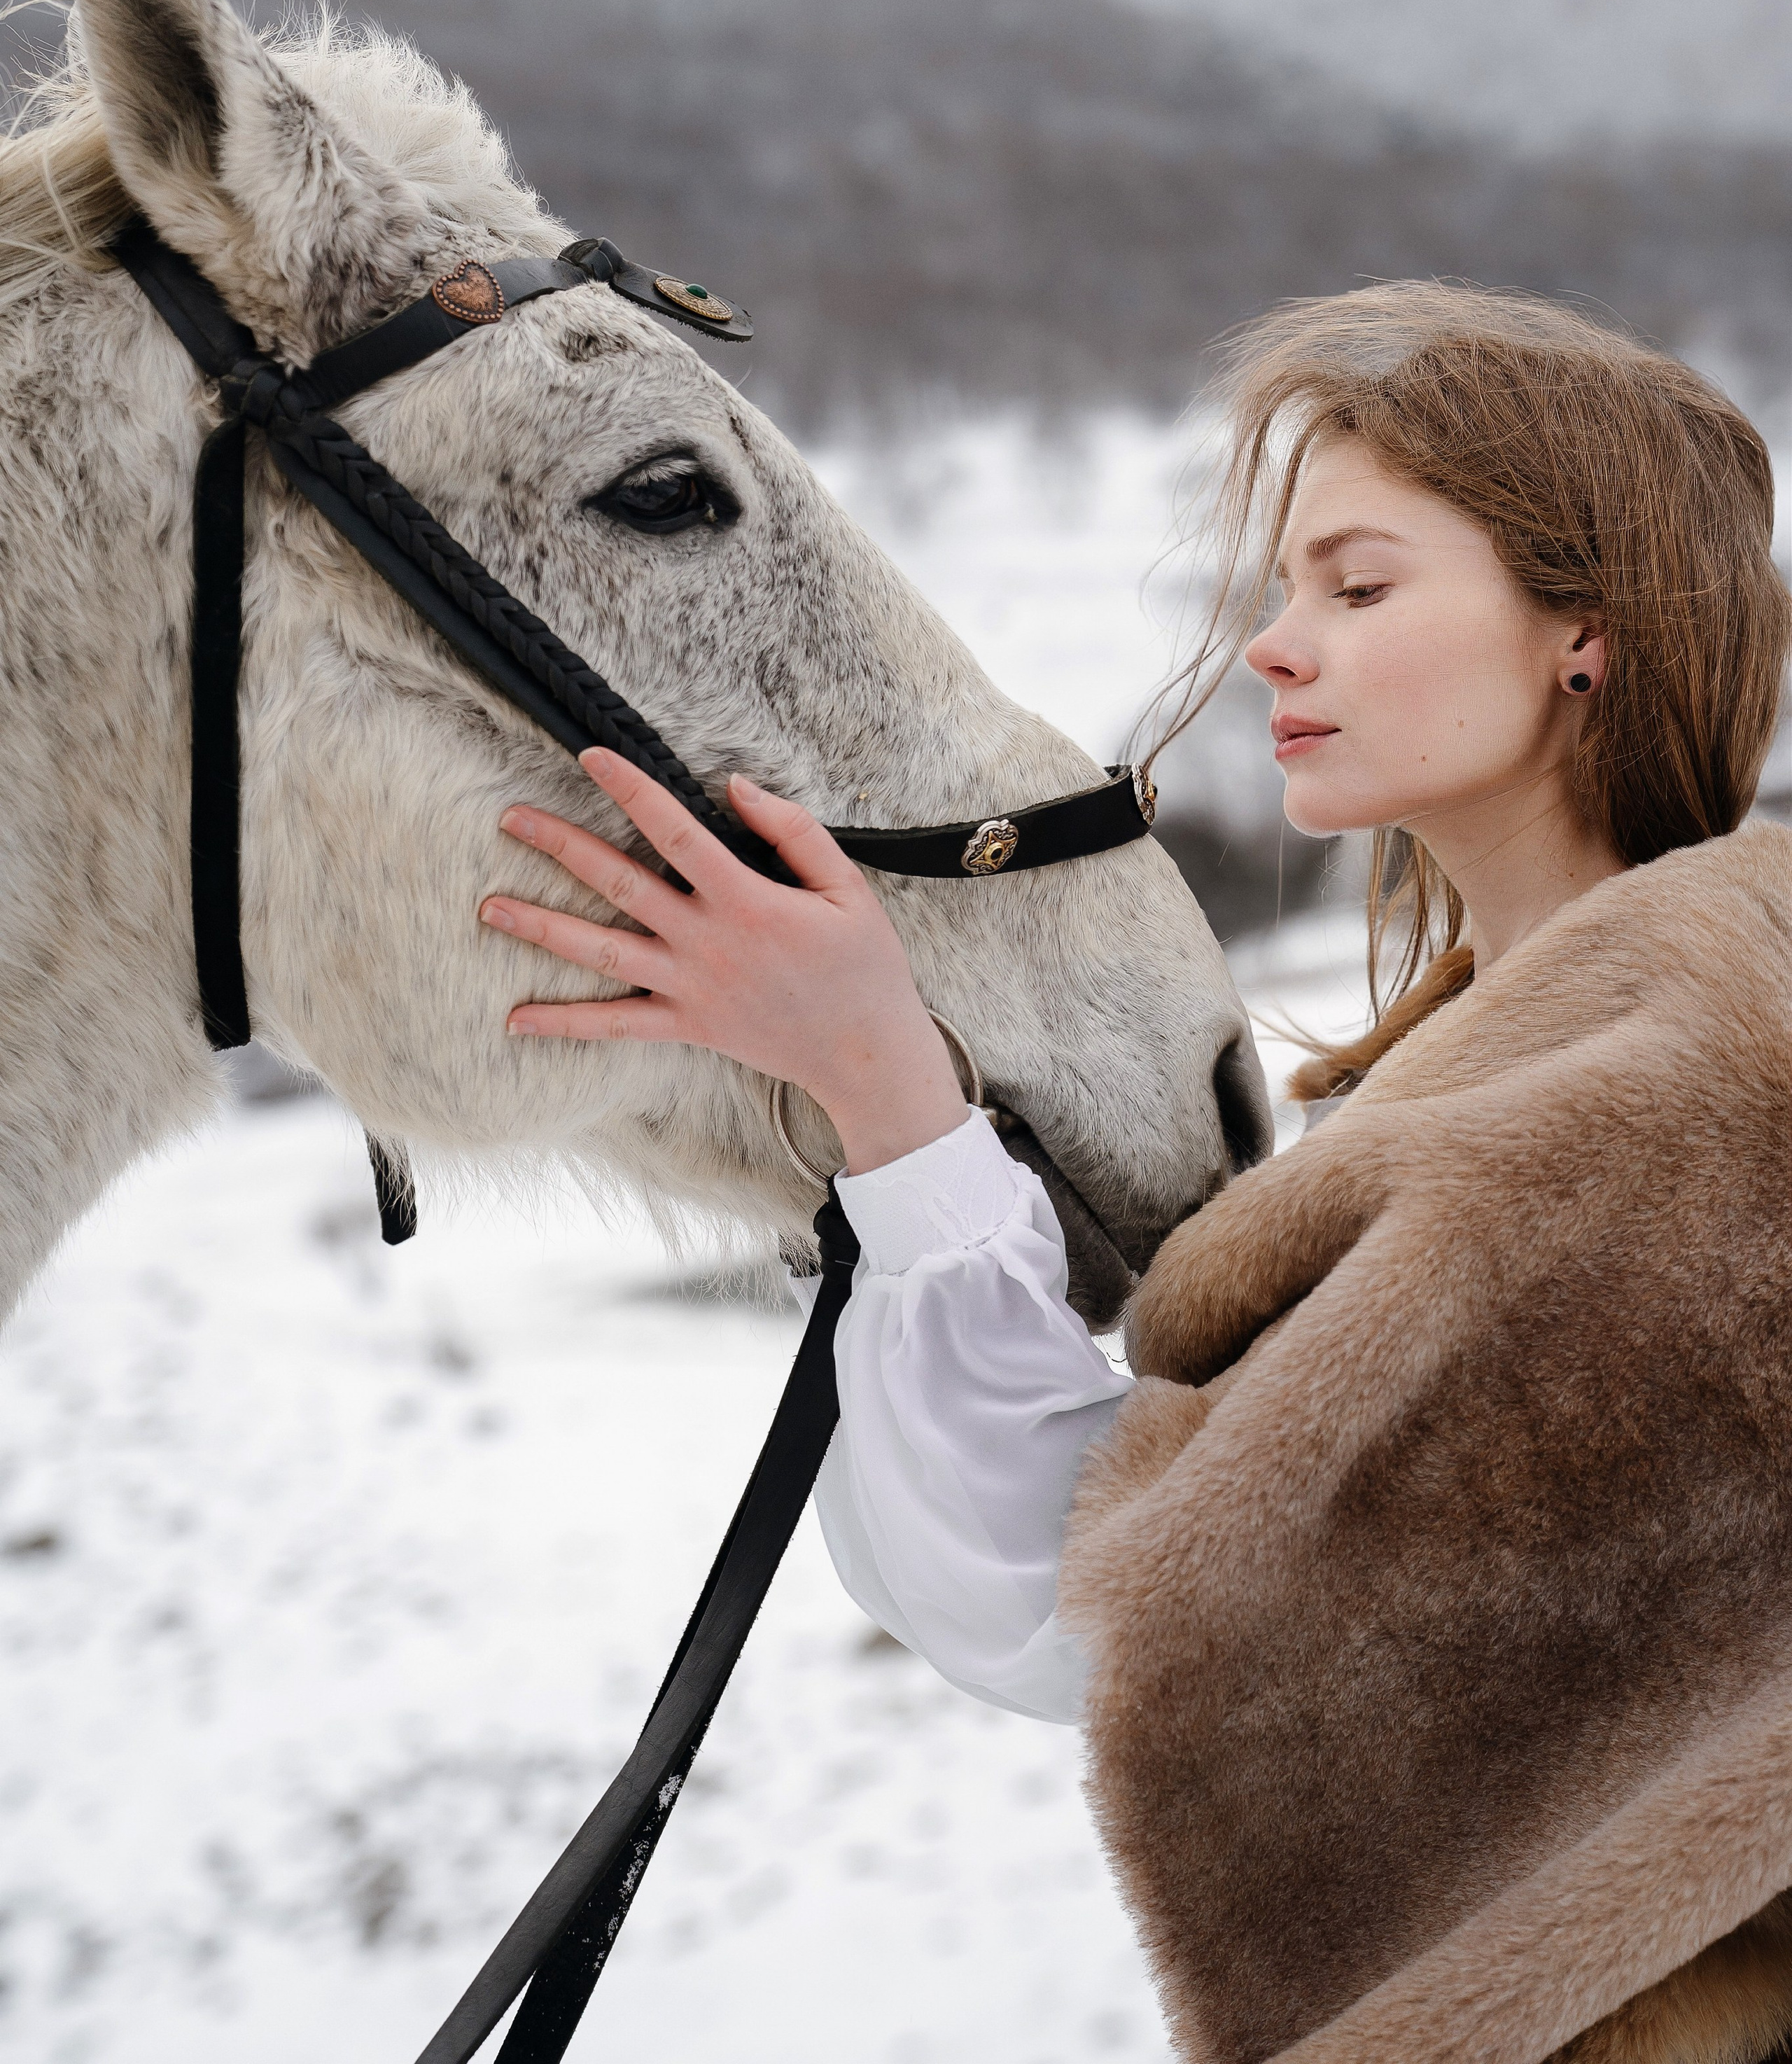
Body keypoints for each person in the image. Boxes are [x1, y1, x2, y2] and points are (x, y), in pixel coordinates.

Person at [475, 284, 1788, 1734]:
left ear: (1580, 637)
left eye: (1356, 589)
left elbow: (1127, 1611)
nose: (1270, 649)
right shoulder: (1558, 1048)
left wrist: (881, 1083)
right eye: (1283, 592)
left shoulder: (1647, 1103)